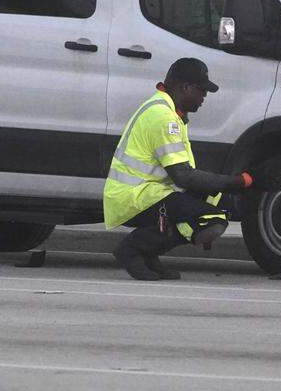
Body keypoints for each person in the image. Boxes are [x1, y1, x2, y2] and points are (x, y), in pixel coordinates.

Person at [103, 58, 260, 280]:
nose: (204, 97)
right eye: (201, 90)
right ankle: (133, 249)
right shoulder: (164, 118)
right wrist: (236, 183)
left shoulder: (166, 109)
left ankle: (149, 252)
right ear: (184, 87)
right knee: (213, 219)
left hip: (146, 193)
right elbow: (183, 177)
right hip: (135, 198)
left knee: (207, 201)